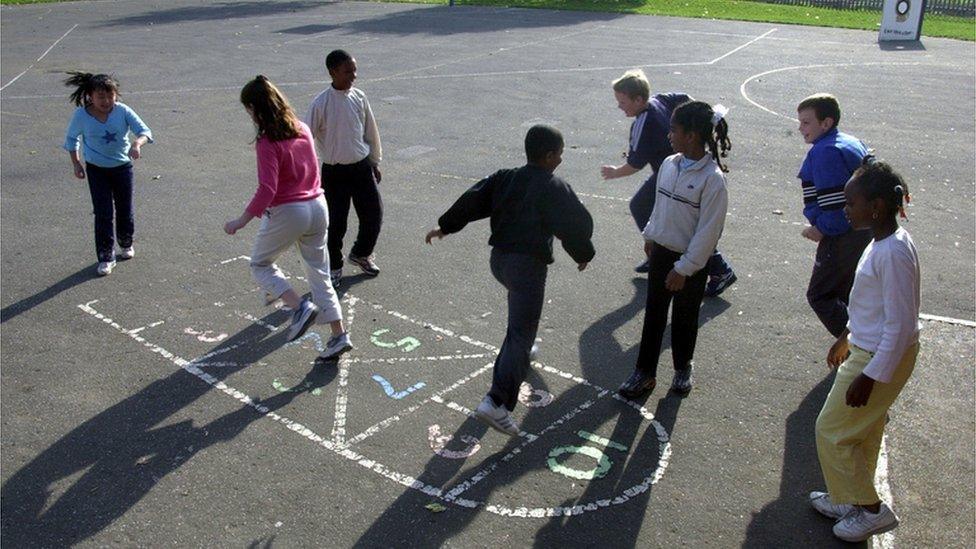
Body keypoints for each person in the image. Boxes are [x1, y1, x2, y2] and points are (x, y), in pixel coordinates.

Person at [425, 125, 595, 436]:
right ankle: (497, 401)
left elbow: (473, 199)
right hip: (526, 266)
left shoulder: (506, 176)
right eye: (559, 153)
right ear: (548, 156)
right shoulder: (554, 186)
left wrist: (445, 226)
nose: (561, 158)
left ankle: (520, 353)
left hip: (499, 261)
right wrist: (583, 253)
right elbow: (576, 223)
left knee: (520, 323)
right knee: (521, 330)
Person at [809, 161, 919, 543]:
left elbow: (901, 325)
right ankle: (850, 497)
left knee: (831, 430)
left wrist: (871, 376)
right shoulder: (883, 240)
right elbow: (873, 308)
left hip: (877, 358)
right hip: (867, 348)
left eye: (851, 202)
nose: (845, 209)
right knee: (864, 431)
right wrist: (846, 335)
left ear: (875, 207)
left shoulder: (893, 253)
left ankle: (871, 510)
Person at [224, 75, 352, 361]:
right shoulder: (303, 128)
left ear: (256, 109)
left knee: (260, 263)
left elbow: (267, 188)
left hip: (289, 210)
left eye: (249, 109)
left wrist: (241, 220)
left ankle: (299, 308)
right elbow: (313, 169)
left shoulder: (267, 141)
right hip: (318, 205)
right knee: (320, 273)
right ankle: (339, 335)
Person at [618, 101, 731, 399]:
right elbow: (660, 206)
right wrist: (650, 235)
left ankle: (683, 367)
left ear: (691, 136)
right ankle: (645, 373)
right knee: (653, 313)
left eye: (674, 129)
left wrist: (684, 268)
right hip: (661, 253)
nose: (670, 135)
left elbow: (708, 233)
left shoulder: (712, 180)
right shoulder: (670, 164)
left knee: (684, 317)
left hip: (690, 262)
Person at [601, 69, 736, 297]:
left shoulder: (642, 124)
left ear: (638, 99)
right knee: (655, 211)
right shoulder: (660, 99)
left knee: (678, 221)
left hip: (673, 174)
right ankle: (658, 251)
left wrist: (615, 172)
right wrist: (701, 120)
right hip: (678, 169)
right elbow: (685, 99)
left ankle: (718, 268)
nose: (619, 106)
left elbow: (634, 164)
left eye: (622, 102)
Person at [796, 93, 872, 337]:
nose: (800, 128)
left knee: (820, 295)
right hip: (864, 232)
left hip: (843, 238)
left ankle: (858, 347)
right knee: (848, 290)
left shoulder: (825, 153)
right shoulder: (849, 141)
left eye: (807, 122)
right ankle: (867, 341)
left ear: (826, 123)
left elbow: (838, 207)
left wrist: (821, 228)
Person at [306, 49, 383, 288]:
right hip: (334, 172)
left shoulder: (359, 97)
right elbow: (305, 141)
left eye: (355, 70)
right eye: (348, 71)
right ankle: (334, 267)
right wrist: (307, 177)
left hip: (361, 167)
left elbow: (370, 131)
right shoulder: (321, 103)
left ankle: (361, 253)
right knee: (336, 223)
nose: (354, 75)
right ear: (333, 72)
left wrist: (374, 161)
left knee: (373, 215)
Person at [63, 72, 153, 276]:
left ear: (116, 95)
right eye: (100, 97)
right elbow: (71, 139)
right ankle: (105, 255)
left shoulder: (122, 111)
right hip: (97, 171)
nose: (106, 101)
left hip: (122, 169)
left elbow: (145, 131)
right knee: (103, 213)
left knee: (124, 209)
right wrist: (76, 164)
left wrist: (137, 143)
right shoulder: (81, 115)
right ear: (90, 97)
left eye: (110, 96)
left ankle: (125, 242)